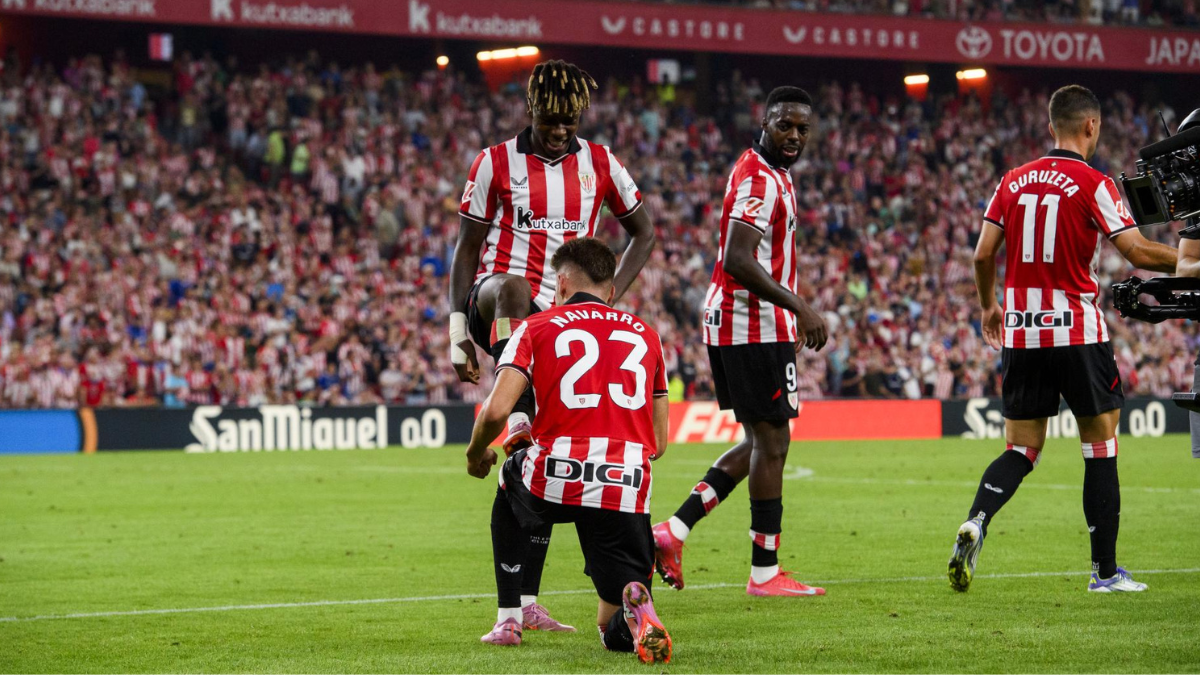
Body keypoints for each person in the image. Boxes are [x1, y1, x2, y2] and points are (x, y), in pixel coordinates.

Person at [448, 59, 656, 631]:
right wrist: (457, 333)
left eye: (569, 122)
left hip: (565, 325)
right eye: (549, 120)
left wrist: (608, 299)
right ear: (530, 108)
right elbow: (467, 249)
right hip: (501, 301)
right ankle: (515, 412)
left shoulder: (600, 163)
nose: (559, 130)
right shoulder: (493, 163)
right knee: (514, 287)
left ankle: (526, 606)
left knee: (542, 460)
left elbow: (645, 229)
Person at [949, 84, 1178, 593]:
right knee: (1099, 447)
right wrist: (1191, 261)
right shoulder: (1092, 182)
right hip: (1076, 331)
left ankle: (977, 521)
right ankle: (1104, 573)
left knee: (1022, 450)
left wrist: (990, 306)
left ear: (1051, 125)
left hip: (1022, 336)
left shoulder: (1011, 181)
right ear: (1091, 125)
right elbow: (1137, 252)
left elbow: (983, 255)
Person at [652, 86, 830, 597]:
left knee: (762, 441)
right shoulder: (759, 177)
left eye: (802, 128)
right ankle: (764, 573)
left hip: (751, 324)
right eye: (785, 125)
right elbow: (738, 258)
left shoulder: (775, 174)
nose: (794, 135)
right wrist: (799, 308)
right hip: (747, 323)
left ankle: (673, 530)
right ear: (765, 122)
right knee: (773, 443)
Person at [464, 238, 672, 663]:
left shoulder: (537, 327)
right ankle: (634, 609)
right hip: (626, 485)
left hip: (558, 473)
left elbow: (497, 409)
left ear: (559, 284)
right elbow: (660, 441)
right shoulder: (646, 335)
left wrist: (475, 453)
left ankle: (509, 617)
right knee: (609, 631)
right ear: (611, 291)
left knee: (511, 480)